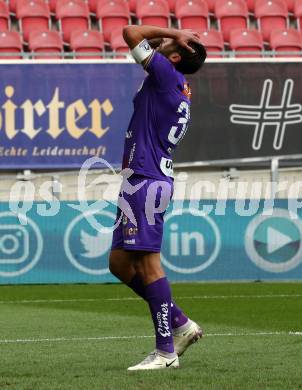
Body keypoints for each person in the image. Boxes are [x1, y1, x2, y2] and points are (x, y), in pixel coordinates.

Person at [109, 24, 207, 371]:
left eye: (170, 44)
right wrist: (173, 40)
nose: (163, 43)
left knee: (149, 265)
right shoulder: (173, 81)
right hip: (142, 179)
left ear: (176, 56)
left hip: (146, 180)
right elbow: (142, 43)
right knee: (119, 264)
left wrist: (174, 31)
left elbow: (130, 32)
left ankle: (166, 352)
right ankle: (180, 323)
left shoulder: (166, 73)